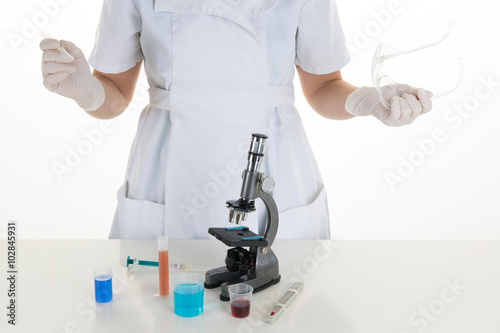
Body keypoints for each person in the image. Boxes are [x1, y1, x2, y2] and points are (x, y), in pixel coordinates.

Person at [39, 0, 432, 240]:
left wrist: (366, 101)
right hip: (167, 174)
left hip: (274, 166)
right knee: (157, 307)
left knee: (283, 306)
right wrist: (87, 90)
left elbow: (323, 87)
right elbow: (115, 93)